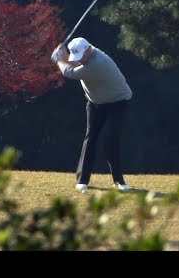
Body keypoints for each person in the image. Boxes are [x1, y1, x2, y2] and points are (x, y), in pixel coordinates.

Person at [51, 37, 132, 192]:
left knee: (111, 138)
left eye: (81, 57)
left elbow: (70, 72)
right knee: (91, 138)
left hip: (118, 102)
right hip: (95, 102)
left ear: (89, 50)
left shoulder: (98, 63)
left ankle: (118, 181)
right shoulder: (87, 54)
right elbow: (74, 63)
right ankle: (82, 180)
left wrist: (59, 60)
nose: (79, 60)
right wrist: (62, 55)